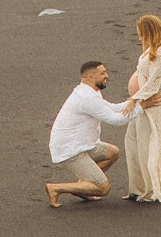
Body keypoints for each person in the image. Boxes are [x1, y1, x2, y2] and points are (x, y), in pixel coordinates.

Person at [46, 59, 132, 209]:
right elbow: (115, 120)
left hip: (82, 146)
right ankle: (56, 188)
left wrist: (135, 102)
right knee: (103, 188)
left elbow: (112, 107)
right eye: (103, 73)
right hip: (70, 152)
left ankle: (84, 189)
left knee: (112, 152)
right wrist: (142, 107)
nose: (107, 75)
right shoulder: (87, 98)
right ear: (91, 77)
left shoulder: (90, 91)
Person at [123, 12, 161, 205]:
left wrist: (135, 98)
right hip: (141, 105)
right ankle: (136, 188)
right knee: (132, 143)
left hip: (151, 107)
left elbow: (155, 83)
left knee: (147, 147)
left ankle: (150, 190)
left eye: (141, 33)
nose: (139, 37)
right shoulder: (150, 50)